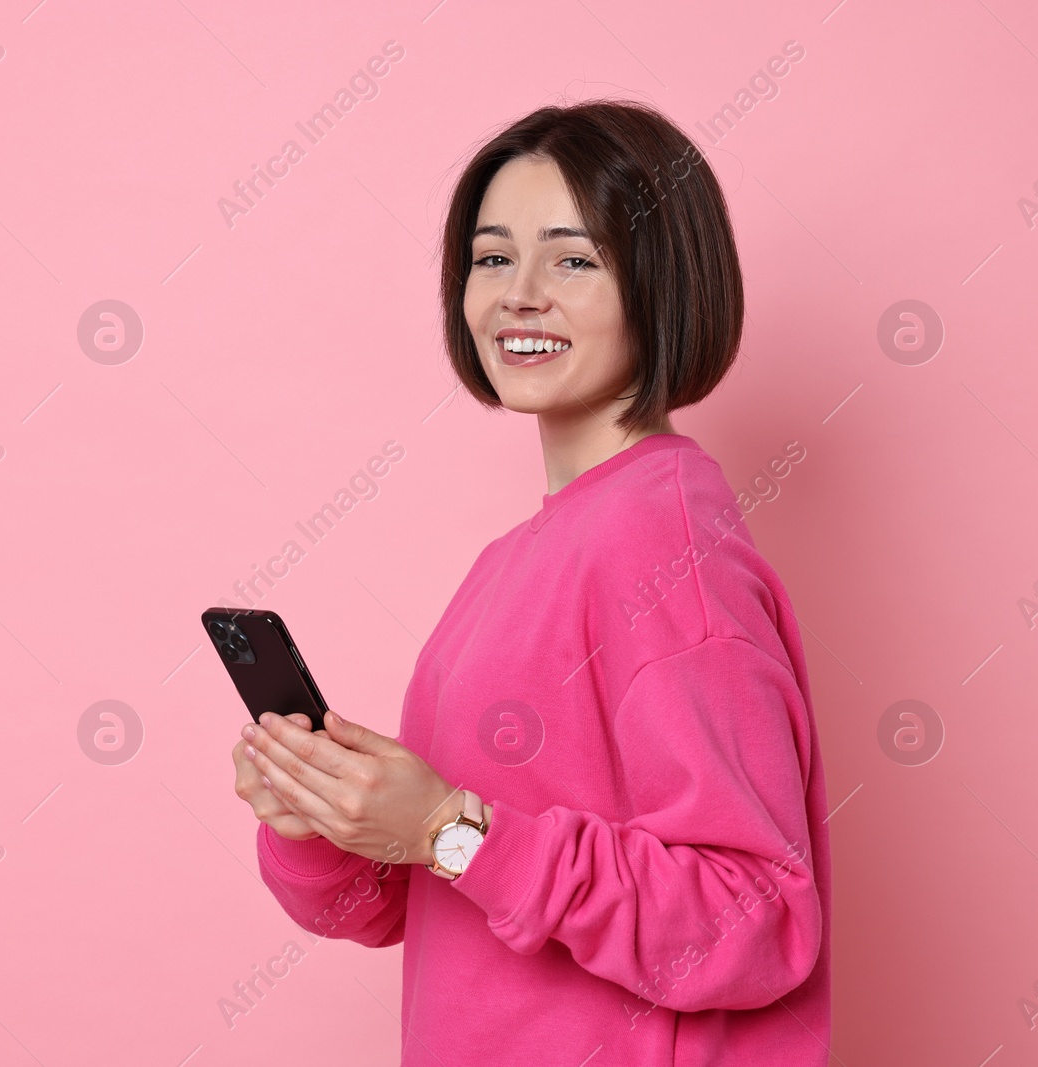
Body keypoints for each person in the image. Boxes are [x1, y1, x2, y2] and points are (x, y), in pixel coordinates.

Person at [230, 100, 831, 1066]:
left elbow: (753, 920)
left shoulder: (664, 541)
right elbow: (429, 904)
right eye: (493, 256)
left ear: (663, 285)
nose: (519, 294)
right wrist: (328, 822)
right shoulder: (514, 560)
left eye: (575, 259)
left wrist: (447, 825)